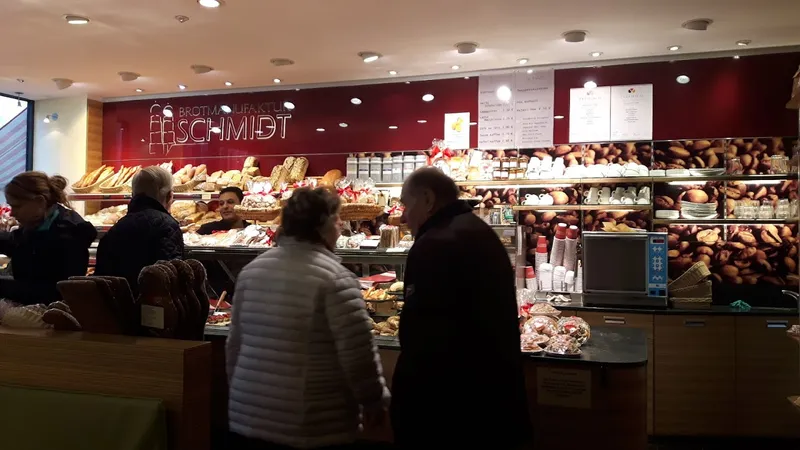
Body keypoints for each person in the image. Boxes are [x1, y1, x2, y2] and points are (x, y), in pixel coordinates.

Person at [227, 186, 389, 450]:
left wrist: (240, 393)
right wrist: (374, 401)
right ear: (322, 226)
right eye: (337, 219)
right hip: (310, 423)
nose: (340, 227)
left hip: (249, 417)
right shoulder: (335, 278)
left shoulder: (251, 272)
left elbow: (234, 345)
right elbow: (357, 355)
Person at [390, 168, 530, 448]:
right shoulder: (476, 229)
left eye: (406, 204)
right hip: (492, 402)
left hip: (450, 411)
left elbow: (422, 338)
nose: (403, 217)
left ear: (428, 199)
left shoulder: (435, 243)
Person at [0, 172, 97, 305]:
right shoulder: (38, 225)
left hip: (51, 318)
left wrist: (3, 286)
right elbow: (15, 242)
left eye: (16, 206)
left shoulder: (68, 235)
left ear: (39, 201)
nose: (12, 213)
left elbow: (53, 292)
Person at [95, 166, 183, 295]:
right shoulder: (167, 225)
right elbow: (171, 276)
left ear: (133, 195)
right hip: (153, 309)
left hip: (121, 307)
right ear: (170, 196)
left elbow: (102, 277)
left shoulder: (117, 227)